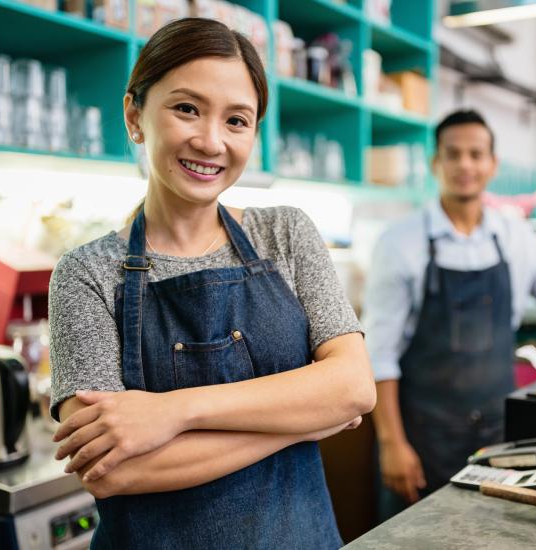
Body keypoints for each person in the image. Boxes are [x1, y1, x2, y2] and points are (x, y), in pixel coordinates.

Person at [48, 18, 376, 549]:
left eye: (237, 121)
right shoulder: (86, 273)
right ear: (135, 116)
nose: (211, 141)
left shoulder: (286, 233)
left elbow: (354, 388)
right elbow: (109, 470)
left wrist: (172, 412)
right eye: (186, 109)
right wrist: (301, 422)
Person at [362, 109, 536, 517]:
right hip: (423, 436)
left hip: (499, 435)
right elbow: (379, 357)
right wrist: (392, 444)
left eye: (476, 154)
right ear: (435, 163)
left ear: (492, 164)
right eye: (453, 154)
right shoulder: (399, 243)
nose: (465, 165)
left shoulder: (515, 238)